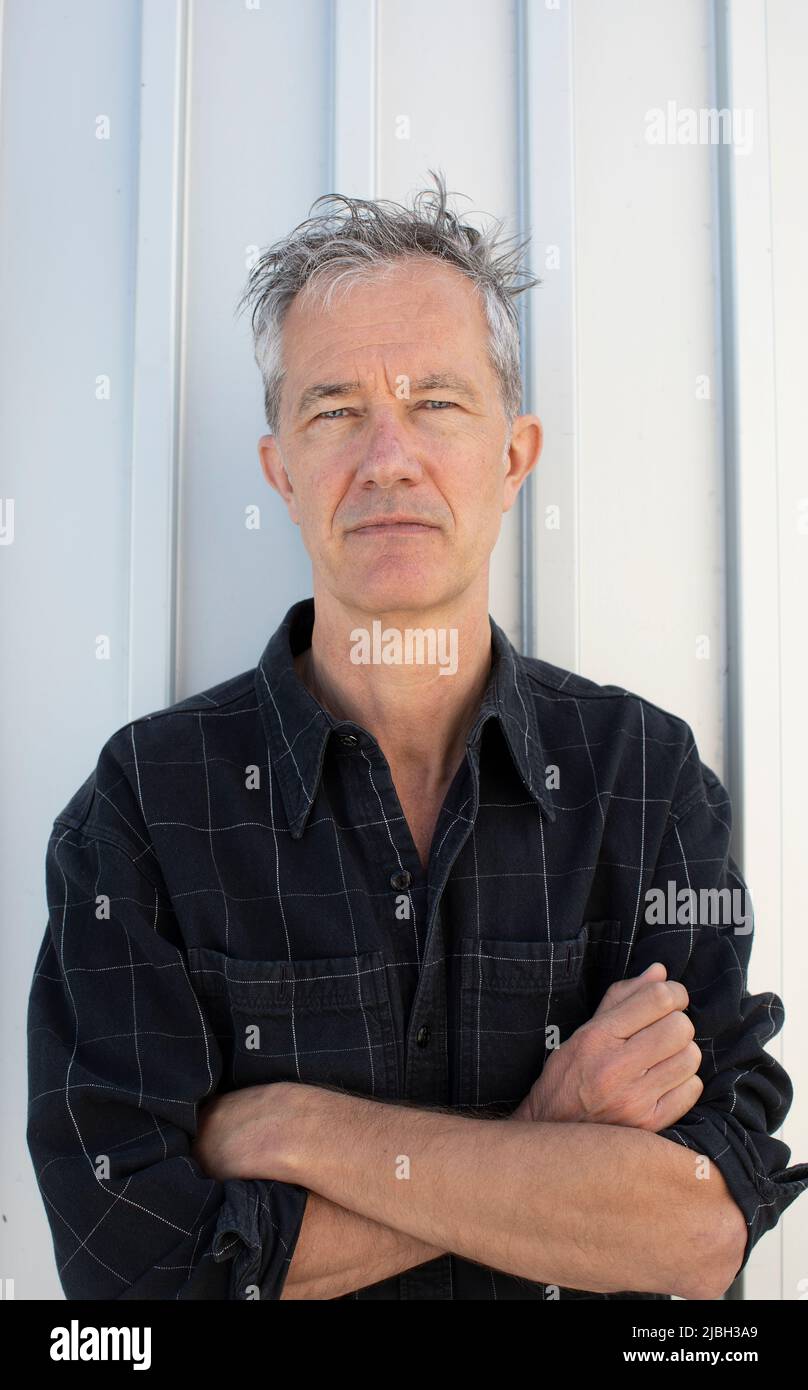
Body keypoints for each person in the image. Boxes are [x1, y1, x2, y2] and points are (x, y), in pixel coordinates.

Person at [27, 171, 808, 1300]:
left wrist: (291, 1126)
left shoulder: (642, 778)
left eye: (435, 401)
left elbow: (695, 1233)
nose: (386, 455)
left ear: (512, 455)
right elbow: (137, 1277)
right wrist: (554, 1131)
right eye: (335, 408)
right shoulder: (145, 807)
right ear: (280, 470)